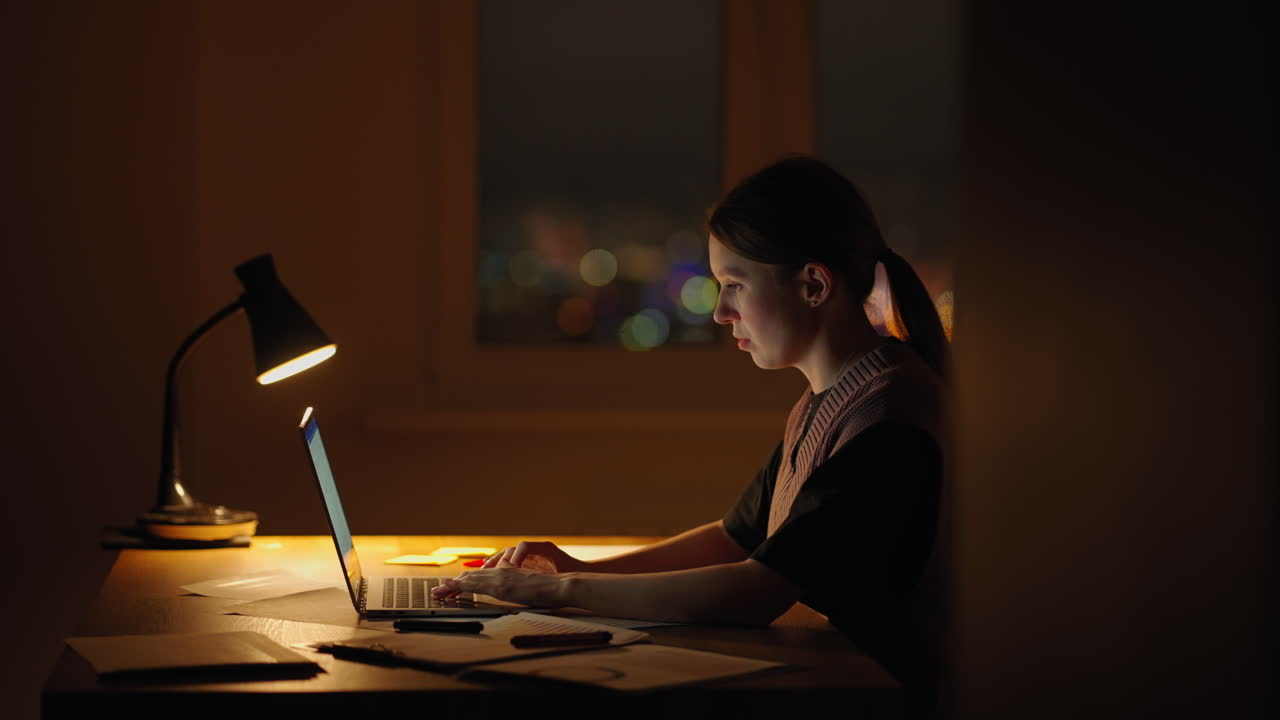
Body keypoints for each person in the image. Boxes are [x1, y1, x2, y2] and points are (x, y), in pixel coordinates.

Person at [434, 154, 950, 704]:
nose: (721, 312)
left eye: (735, 284)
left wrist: (561, 591)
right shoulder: (832, 399)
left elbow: (758, 588)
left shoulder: (888, 419)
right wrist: (578, 567)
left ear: (814, 285)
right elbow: (734, 538)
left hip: (885, 697)